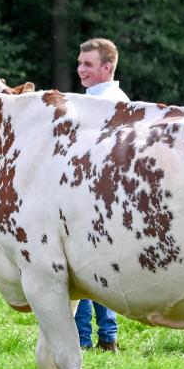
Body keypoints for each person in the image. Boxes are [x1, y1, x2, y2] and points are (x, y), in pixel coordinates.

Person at [73, 38, 128, 352]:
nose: (81, 69)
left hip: (95, 199)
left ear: (107, 67)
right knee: (96, 271)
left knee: (80, 272)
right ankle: (107, 338)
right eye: (80, 63)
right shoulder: (105, 97)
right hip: (100, 197)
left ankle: (85, 340)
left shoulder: (104, 101)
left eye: (88, 64)